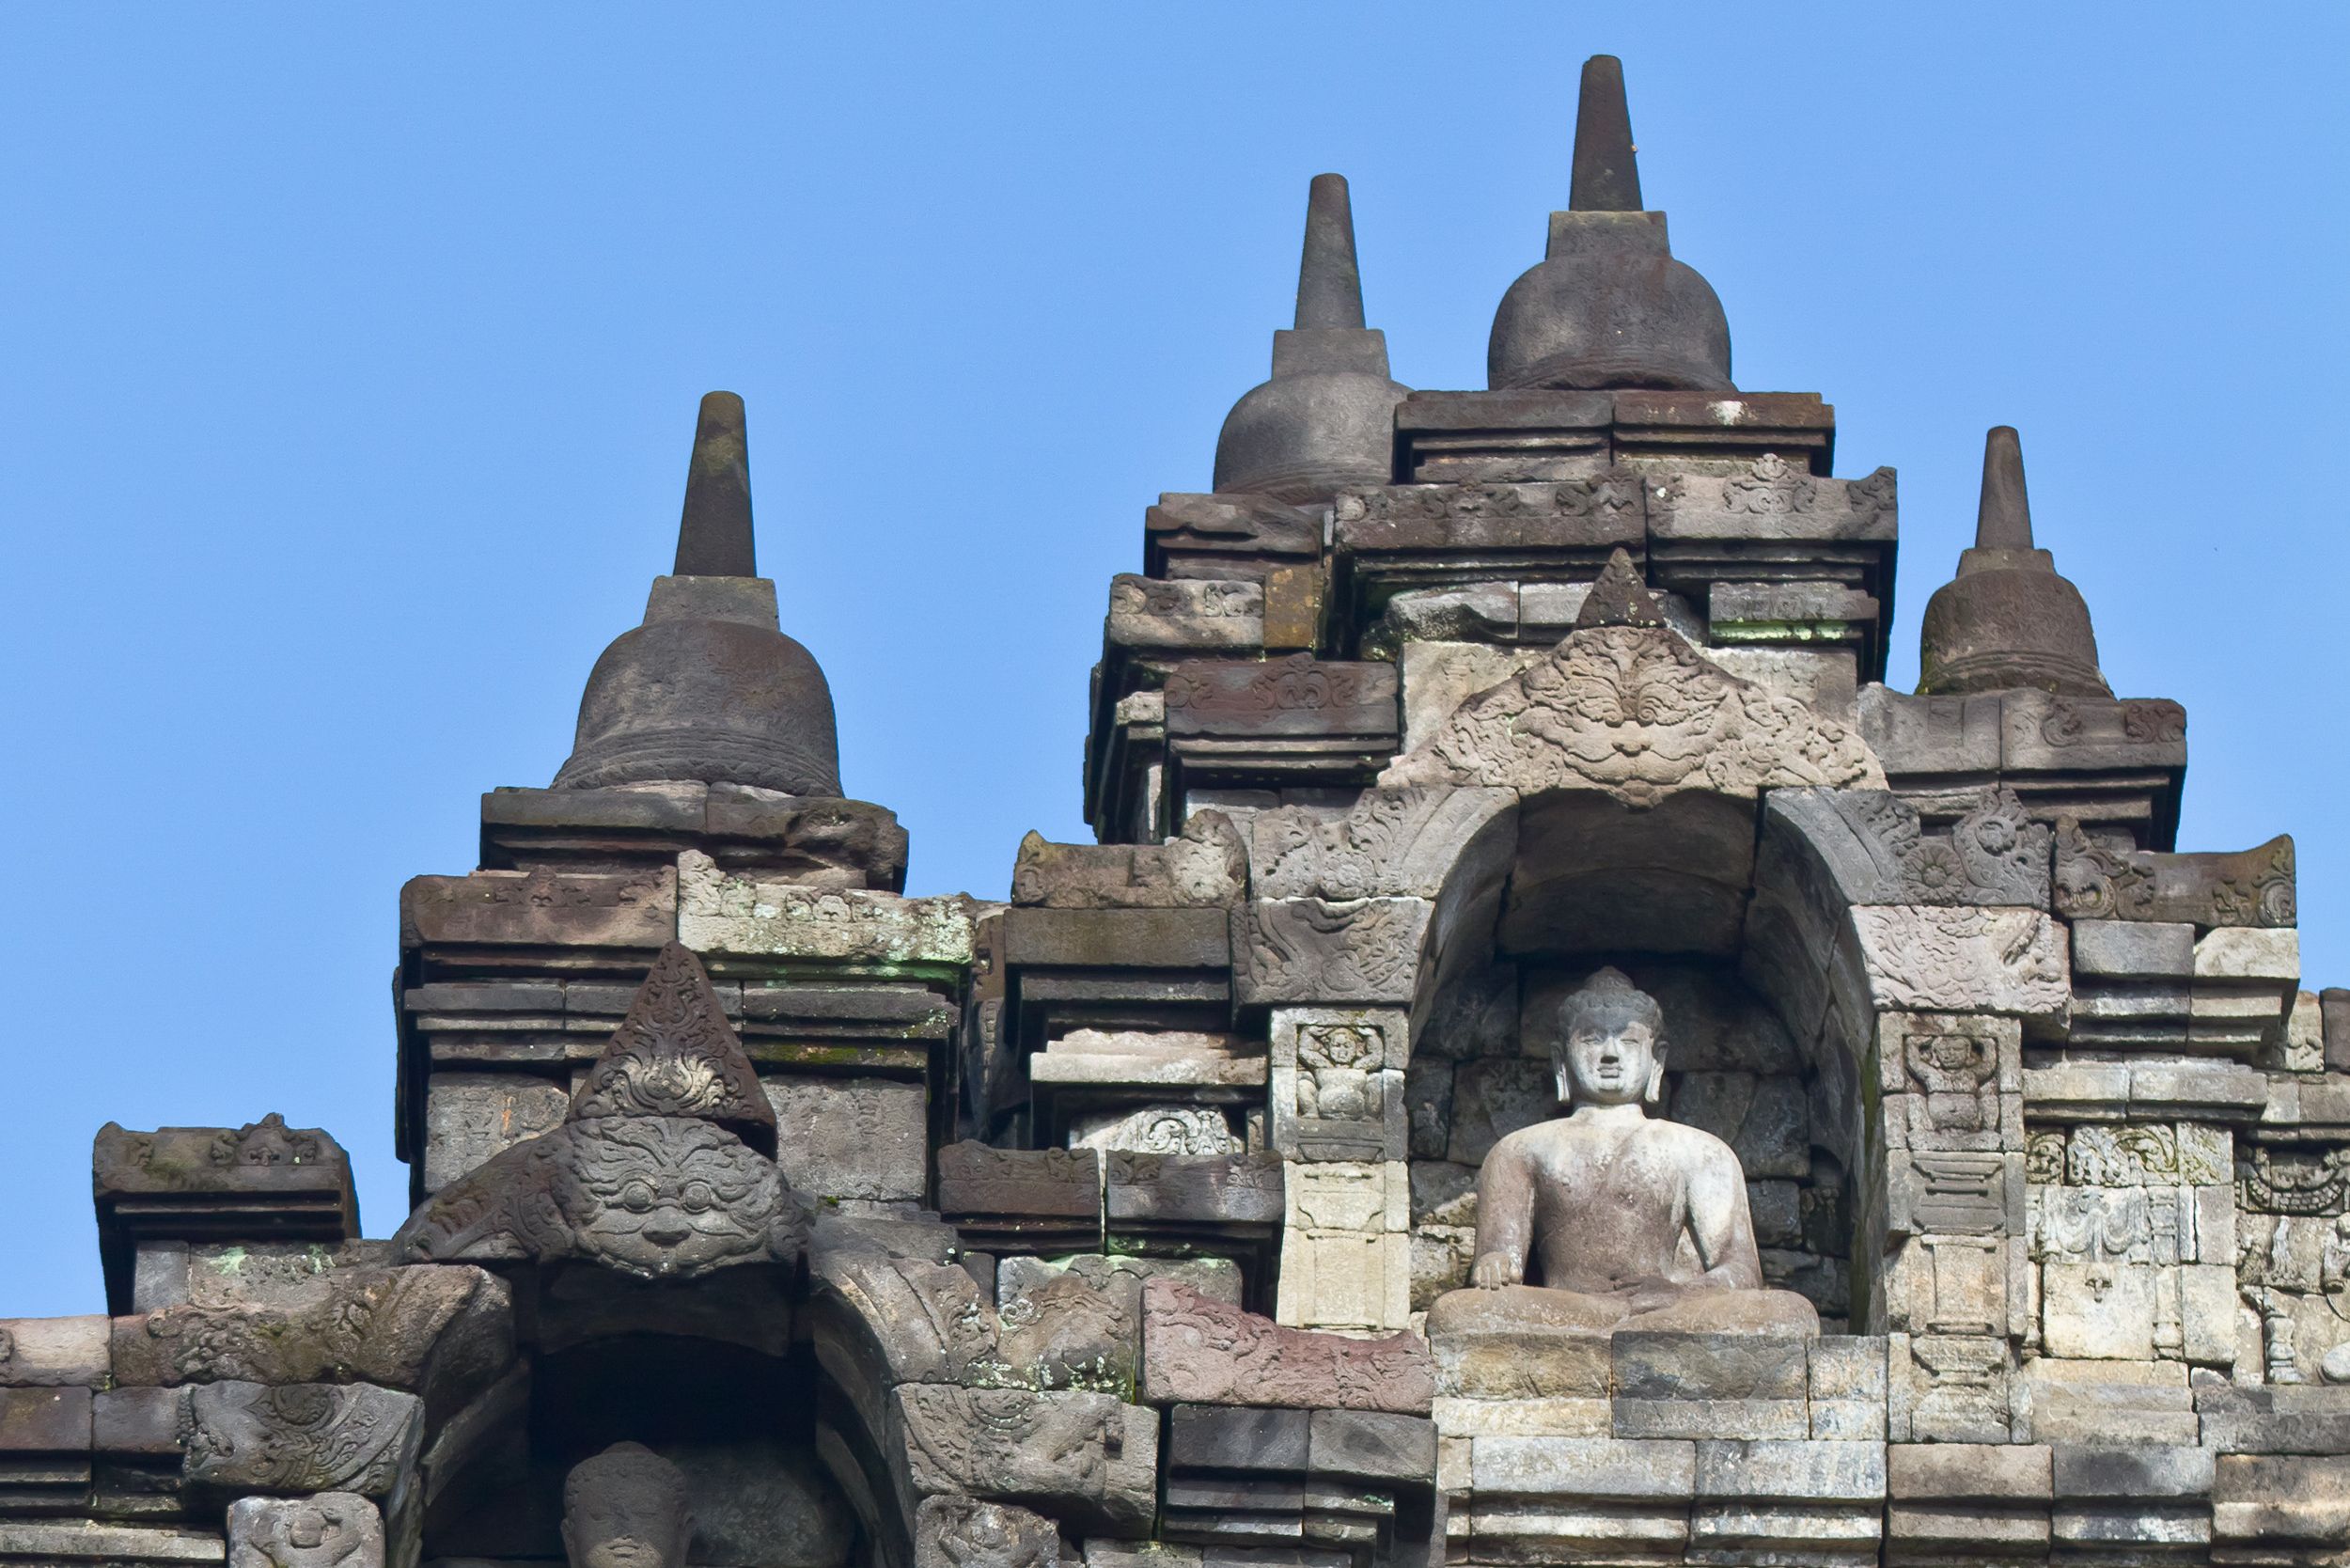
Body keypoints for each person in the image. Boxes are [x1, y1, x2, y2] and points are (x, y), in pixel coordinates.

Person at [1427, 967, 1818, 1337]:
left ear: (1657, 1058)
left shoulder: (1700, 1151)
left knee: (1790, 1314)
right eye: (1592, 1039)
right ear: (1560, 1059)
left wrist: (1679, 1294)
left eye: (1628, 1040)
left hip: (1666, 1310)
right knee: (1457, 1314)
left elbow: (1741, 1272)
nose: (1610, 1054)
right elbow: (1500, 1260)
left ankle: (1635, 1328)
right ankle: (1625, 1328)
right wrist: (1495, 1264)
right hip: (1569, 1309)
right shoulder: (1519, 1150)